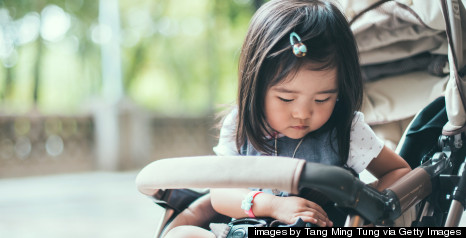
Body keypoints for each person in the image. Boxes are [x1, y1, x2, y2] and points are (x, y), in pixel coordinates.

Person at [165, 0, 411, 237]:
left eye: (322, 99)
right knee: (181, 233)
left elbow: (400, 171)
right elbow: (220, 193)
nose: (303, 113)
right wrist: (272, 205)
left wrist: (359, 202)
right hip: (247, 230)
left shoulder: (345, 131)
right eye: (286, 99)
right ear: (257, 86)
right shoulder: (242, 126)